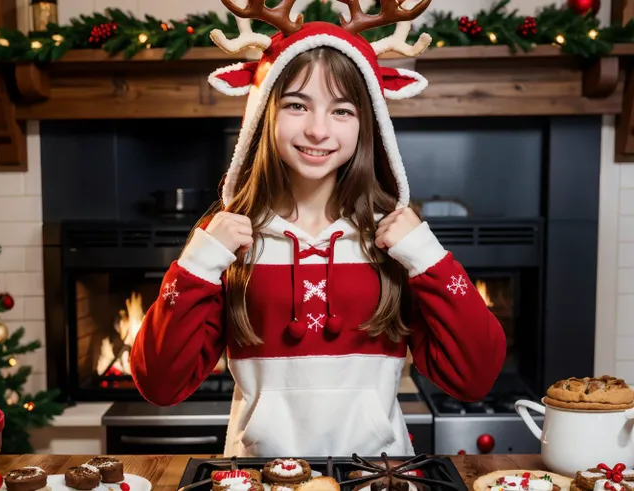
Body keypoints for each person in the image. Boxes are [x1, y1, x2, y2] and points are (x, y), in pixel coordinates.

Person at [131, 0, 506, 457]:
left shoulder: (396, 238)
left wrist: (428, 257)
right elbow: (159, 384)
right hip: (260, 480)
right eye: (296, 104)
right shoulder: (227, 238)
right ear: (262, 114)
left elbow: (475, 377)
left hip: (378, 477)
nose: (317, 130)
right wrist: (197, 264)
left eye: (342, 111)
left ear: (369, 124)